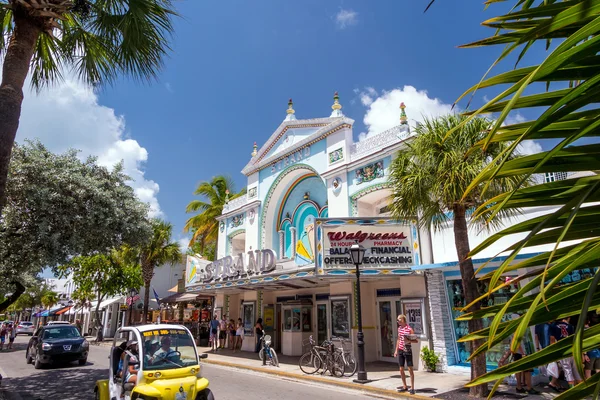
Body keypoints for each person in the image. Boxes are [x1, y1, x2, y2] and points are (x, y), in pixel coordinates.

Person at [551, 317, 582, 389]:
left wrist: (554, 352)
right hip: (572, 350)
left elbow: (552, 339)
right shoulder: (570, 326)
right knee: (576, 370)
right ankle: (581, 389)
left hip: (562, 351)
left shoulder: (553, 326)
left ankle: (572, 390)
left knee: (568, 371)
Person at [394, 314, 418, 395]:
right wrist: (396, 350)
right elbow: (398, 339)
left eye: (399, 320)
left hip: (407, 350)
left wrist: (408, 341)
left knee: (410, 368)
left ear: (403, 320)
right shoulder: (399, 328)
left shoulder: (409, 329)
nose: (398, 321)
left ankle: (412, 387)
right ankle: (404, 386)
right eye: (397, 320)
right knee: (401, 369)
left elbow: (416, 341)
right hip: (401, 349)